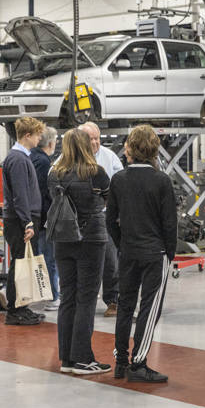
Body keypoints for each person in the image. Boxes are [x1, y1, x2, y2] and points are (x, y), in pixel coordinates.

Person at [107, 125, 177, 383]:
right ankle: (139, 363)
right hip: (154, 253)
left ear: (131, 148)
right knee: (149, 308)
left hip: (128, 252)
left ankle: (121, 361)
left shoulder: (119, 180)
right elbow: (170, 224)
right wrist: (169, 253)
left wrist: (122, 244)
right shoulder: (161, 181)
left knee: (125, 305)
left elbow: (110, 220)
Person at [49, 129, 112, 375]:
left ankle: (67, 359)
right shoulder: (96, 173)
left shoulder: (54, 175)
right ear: (87, 146)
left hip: (62, 240)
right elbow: (110, 201)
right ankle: (83, 358)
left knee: (68, 297)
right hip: (90, 240)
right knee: (86, 298)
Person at [1, 116, 46, 326]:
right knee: (19, 265)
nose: (39, 139)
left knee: (22, 264)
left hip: (20, 219)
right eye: (37, 135)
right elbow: (20, 194)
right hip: (20, 221)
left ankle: (21, 307)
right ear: (27, 135)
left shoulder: (20, 157)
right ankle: (14, 310)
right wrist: (27, 222)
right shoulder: (18, 159)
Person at [79, 121, 123, 317]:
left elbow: (120, 182)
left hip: (104, 217)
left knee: (110, 260)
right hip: (78, 220)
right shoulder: (70, 157)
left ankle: (113, 300)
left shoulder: (109, 156)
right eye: (91, 139)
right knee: (81, 261)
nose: (96, 142)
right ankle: (81, 299)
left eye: (97, 138)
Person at [30, 126, 60, 311]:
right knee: (49, 258)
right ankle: (53, 296)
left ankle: (48, 293)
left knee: (42, 257)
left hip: (34, 218)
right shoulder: (43, 161)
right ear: (50, 143)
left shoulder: (30, 156)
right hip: (43, 219)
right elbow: (43, 192)